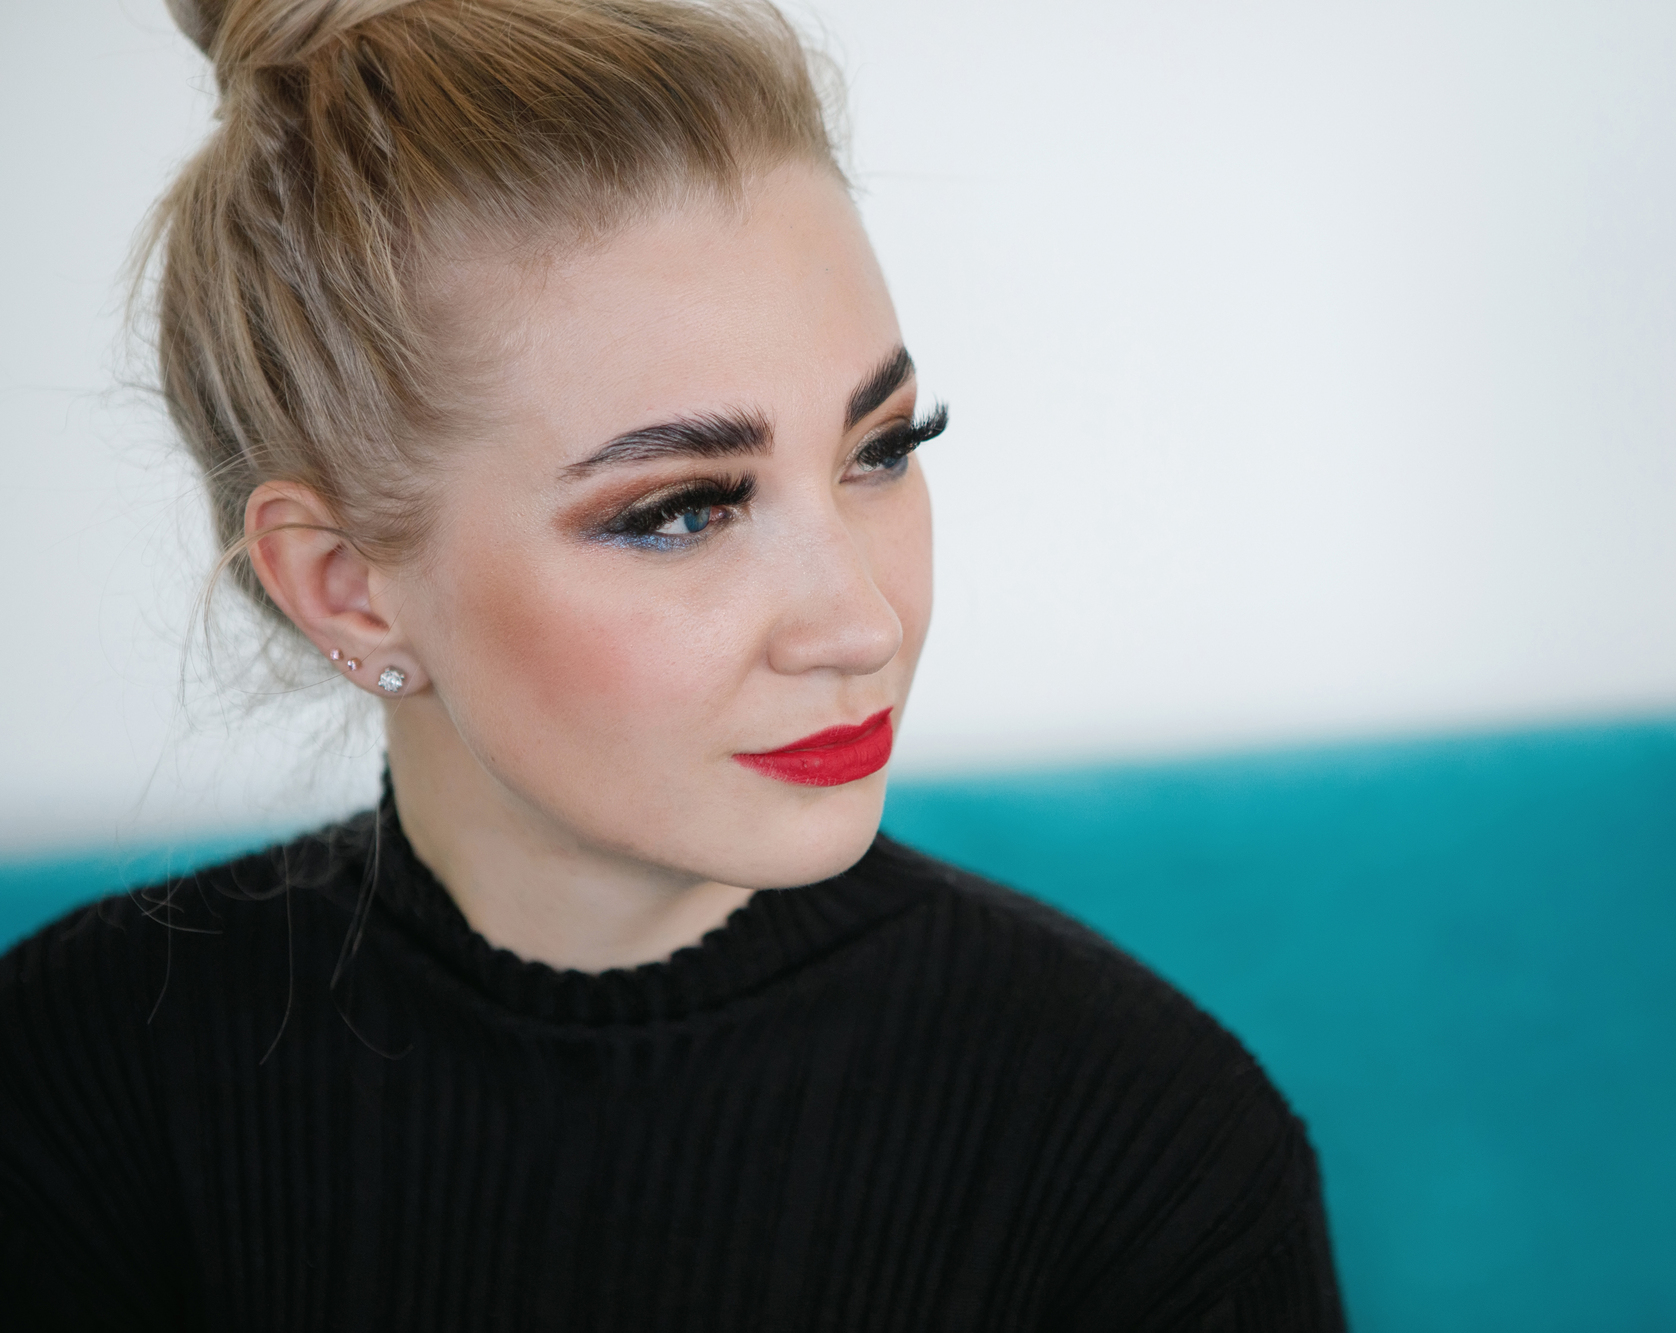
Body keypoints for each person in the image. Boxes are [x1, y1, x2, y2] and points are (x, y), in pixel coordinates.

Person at [0, 0, 1343, 1325]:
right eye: (685, 507)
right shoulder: (69, 1095)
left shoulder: (1153, 1160)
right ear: (346, 586)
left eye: (881, 447)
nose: (860, 623)